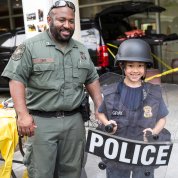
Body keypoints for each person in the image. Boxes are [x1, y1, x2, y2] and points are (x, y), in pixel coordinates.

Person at [1, 1, 102, 178]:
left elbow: (92, 78)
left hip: (74, 122)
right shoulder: (31, 46)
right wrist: (23, 115)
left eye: (71, 21)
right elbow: (16, 79)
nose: (67, 25)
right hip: (41, 123)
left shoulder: (81, 49)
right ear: (49, 19)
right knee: (41, 173)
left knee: (73, 172)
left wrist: (100, 109)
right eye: (62, 20)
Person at [97, 39, 170, 178]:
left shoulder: (153, 93)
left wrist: (154, 132)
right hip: (117, 153)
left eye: (140, 66)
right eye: (130, 65)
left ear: (145, 68)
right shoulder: (111, 92)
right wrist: (107, 124)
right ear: (122, 66)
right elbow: (100, 113)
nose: (135, 70)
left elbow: (162, 119)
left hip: (143, 154)